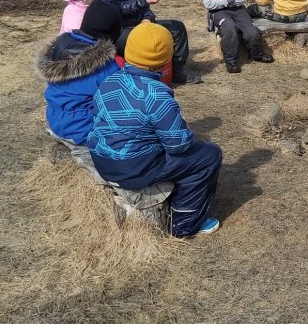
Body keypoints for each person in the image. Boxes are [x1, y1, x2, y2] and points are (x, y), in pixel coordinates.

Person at [86, 23, 223, 238]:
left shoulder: (109, 81)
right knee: (208, 155)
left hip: (102, 160)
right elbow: (179, 145)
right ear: (166, 58)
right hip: (134, 169)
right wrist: (188, 135)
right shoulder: (156, 95)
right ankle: (185, 223)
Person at [36, 0, 122, 179]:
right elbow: (117, 105)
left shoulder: (61, 47)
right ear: (114, 32)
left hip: (55, 119)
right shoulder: (106, 66)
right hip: (83, 130)